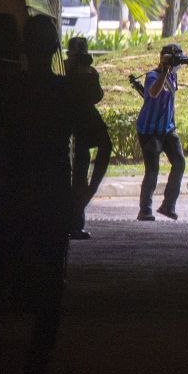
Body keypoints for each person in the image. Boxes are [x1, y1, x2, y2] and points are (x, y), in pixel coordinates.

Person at [0, 15, 104, 374]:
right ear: (56, 50)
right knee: (48, 291)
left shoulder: (8, 91)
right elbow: (101, 144)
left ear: (24, 50)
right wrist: (83, 193)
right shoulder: (65, 93)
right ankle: (34, 372)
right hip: (53, 202)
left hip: (12, 200)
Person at [63, 37, 112, 240]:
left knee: (86, 166)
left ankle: (83, 202)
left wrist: (89, 75)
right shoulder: (63, 69)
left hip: (84, 118)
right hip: (71, 118)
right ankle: (74, 220)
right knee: (77, 171)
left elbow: (95, 96)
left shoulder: (89, 71)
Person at [136, 43, 188, 220]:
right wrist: (165, 72)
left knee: (180, 163)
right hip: (149, 130)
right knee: (152, 170)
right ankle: (145, 210)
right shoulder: (152, 76)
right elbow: (153, 92)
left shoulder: (173, 77)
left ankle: (168, 205)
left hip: (168, 129)